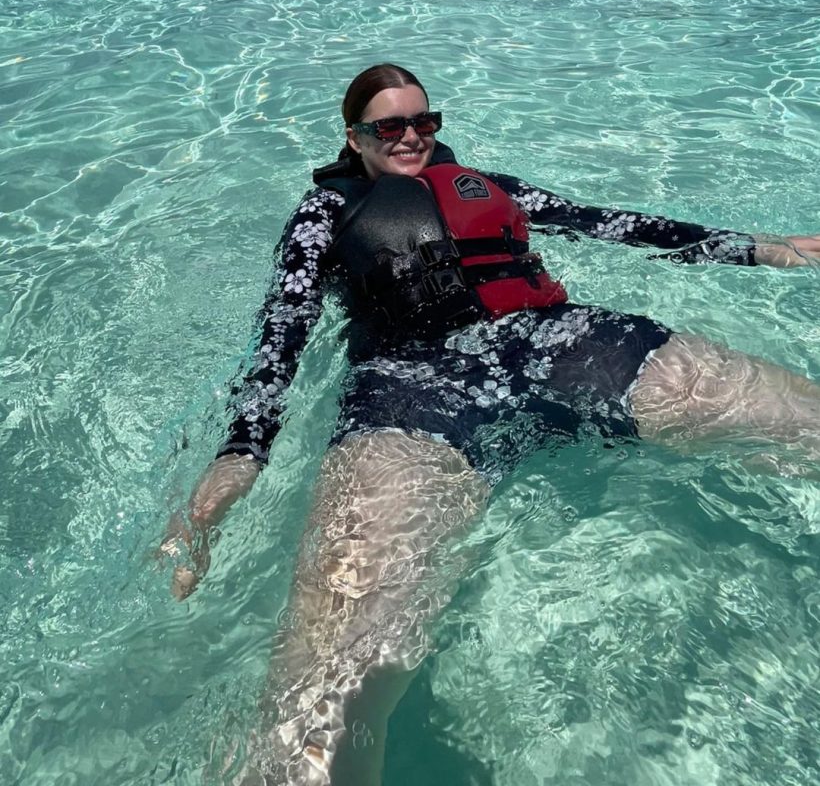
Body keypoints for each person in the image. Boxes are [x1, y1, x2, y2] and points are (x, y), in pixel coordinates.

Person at [159, 64, 820, 785]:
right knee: (326, 689)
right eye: (390, 127)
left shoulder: (485, 184)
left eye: (424, 122)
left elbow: (610, 224)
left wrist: (756, 247)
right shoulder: (326, 212)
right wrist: (244, 449)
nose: (411, 137)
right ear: (354, 138)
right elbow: (284, 324)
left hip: (559, 345)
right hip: (413, 394)